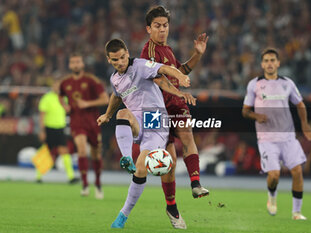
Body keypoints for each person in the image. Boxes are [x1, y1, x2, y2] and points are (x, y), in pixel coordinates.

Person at [97, 38, 195, 229]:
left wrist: (180, 81)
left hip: (155, 119)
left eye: (123, 57)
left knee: (142, 167)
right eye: (115, 60)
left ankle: (123, 215)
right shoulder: (115, 78)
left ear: (127, 52)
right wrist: (107, 115)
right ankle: (126, 158)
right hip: (137, 120)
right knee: (123, 113)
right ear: (109, 60)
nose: (120, 62)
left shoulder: (140, 66)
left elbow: (164, 70)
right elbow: (116, 95)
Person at [140, 5, 209, 222]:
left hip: (175, 104)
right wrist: (181, 91)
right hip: (155, 108)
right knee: (169, 160)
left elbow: (182, 72)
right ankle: (171, 207)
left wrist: (197, 55)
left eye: (165, 25)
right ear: (148, 29)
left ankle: (196, 183)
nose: (162, 30)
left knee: (187, 134)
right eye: (157, 26)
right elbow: (159, 79)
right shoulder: (148, 51)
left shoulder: (167, 50)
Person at [242, 48, 311, 220]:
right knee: (274, 175)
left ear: (278, 63)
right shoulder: (255, 84)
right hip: (267, 138)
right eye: (266, 60)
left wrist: (304, 124)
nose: (269, 63)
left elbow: (300, 104)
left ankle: (296, 212)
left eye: (272, 60)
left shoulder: (287, 83)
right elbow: (244, 111)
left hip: (288, 137)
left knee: (297, 171)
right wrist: (255, 115)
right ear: (262, 64)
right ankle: (272, 197)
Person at [59, 53, 109, 199]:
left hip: (93, 122)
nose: (75, 64)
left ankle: (98, 184)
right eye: (73, 62)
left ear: (82, 64)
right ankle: (85, 185)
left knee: (96, 154)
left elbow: (105, 99)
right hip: (76, 122)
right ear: (70, 65)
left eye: (78, 62)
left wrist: (88, 103)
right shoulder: (65, 83)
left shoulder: (92, 81)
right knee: (81, 150)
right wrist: (65, 106)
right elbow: (60, 95)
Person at [37, 79, 78, 184]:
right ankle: (38, 176)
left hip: (60, 128)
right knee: (46, 151)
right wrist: (42, 130)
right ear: (52, 86)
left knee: (64, 150)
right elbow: (42, 116)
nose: (58, 87)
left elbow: (69, 110)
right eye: (56, 85)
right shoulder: (46, 98)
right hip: (49, 128)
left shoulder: (64, 98)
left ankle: (71, 176)